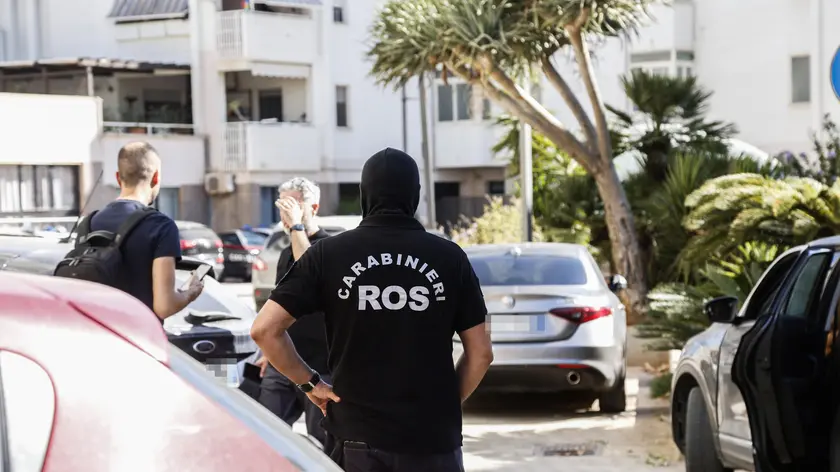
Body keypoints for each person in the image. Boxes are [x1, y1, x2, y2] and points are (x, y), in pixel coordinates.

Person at [251, 148, 494, 472]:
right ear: (416, 195)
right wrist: (444, 407)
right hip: (433, 442)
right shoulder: (452, 258)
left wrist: (310, 384)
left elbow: (264, 330)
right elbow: (482, 353)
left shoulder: (327, 255)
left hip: (357, 440)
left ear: (364, 195)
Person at [254, 177, 333, 447]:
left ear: (315, 207)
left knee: (321, 443)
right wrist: (269, 352)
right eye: (283, 205)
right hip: (285, 361)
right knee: (267, 434)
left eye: (295, 205)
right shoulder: (285, 253)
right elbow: (280, 307)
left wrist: (298, 226)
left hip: (320, 365)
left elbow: (311, 271)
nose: (287, 212)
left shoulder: (328, 248)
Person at [90, 142, 203, 320]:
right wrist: (191, 292)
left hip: (95, 332)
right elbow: (164, 307)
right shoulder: (160, 226)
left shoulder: (89, 222)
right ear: (156, 177)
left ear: (118, 178)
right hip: (138, 333)